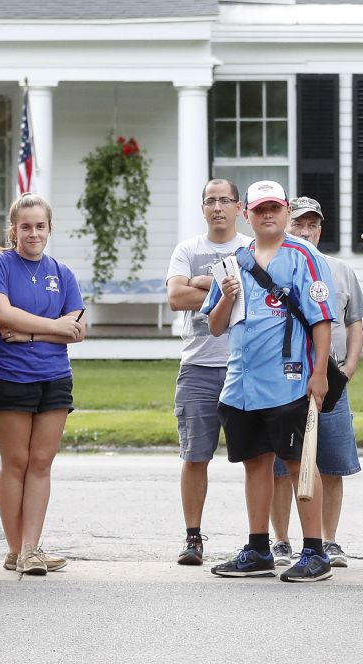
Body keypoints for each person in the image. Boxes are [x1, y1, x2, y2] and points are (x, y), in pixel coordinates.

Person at [201, 180, 339, 582]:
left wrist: (318, 376)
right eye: (259, 208)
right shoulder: (235, 261)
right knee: (254, 465)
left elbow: (321, 319)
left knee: (299, 466)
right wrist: (226, 295)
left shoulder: (304, 257)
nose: (266, 215)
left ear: (285, 211)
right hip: (242, 384)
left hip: (290, 381)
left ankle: (315, 551)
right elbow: (214, 326)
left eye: (274, 208)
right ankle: (258, 548)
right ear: (247, 212)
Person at [0, 193, 87, 576]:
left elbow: (76, 331)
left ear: (49, 228)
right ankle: (15, 549)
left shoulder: (62, 272)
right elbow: (2, 313)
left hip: (54, 378)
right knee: (17, 462)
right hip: (10, 377)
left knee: (41, 463)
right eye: (25, 226)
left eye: (40, 226)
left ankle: (31, 548)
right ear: (13, 229)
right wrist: (55, 326)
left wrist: (30, 335)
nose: (33, 233)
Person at [268, 196, 363, 568]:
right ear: (286, 225)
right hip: (285, 379)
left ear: (320, 229)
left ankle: (330, 540)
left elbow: (355, 319)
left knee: (332, 464)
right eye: (298, 224)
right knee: (281, 465)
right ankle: (280, 540)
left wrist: (352, 365)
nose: (305, 231)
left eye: (312, 224)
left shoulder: (340, 270)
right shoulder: (273, 266)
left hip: (331, 379)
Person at [165, 179, 252, 565]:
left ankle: (260, 539)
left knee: (257, 457)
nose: (217, 207)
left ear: (239, 208)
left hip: (247, 366)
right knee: (195, 455)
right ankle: (193, 538)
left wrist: (199, 282)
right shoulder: (188, 249)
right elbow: (175, 298)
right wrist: (224, 288)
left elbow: (258, 296)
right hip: (198, 365)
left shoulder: (252, 248)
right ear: (202, 208)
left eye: (224, 200)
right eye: (210, 201)